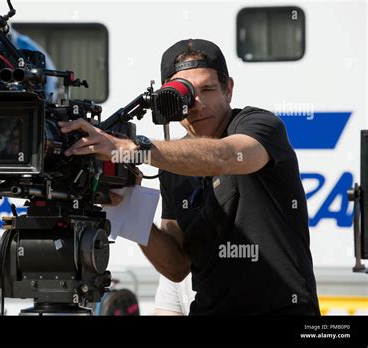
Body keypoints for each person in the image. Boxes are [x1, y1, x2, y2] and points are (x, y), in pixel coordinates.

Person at [59, 39, 320, 315]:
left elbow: (228, 156)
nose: (197, 104)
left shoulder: (259, 125)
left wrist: (132, 150)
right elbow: (176, 266)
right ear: (168, 101)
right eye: (185, 95)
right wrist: (127, 206)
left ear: (228, 89)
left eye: (207, 89)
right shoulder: (171, 164)